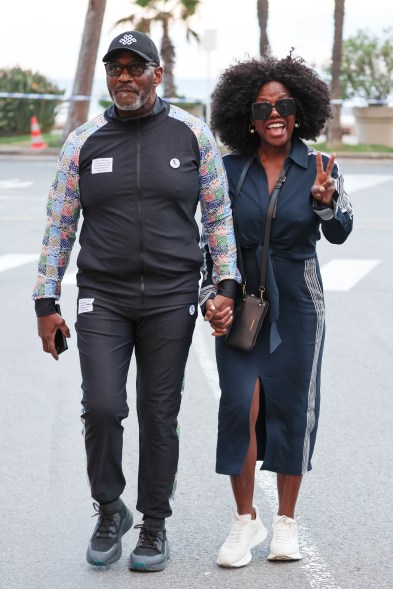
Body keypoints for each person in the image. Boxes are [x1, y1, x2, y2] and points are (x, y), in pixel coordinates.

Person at [32, 30, 239, 573]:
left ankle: (153, 523)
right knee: (102, 406)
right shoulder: (83, 141)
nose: (124, 77)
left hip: (172, 296)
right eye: (115, 68)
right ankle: (109, 509)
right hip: (103, 295)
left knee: (158, 413)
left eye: (135, 67)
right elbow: (59, 225)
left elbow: (217, 217)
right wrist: (45, 300)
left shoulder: (192, 135)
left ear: (157, 75)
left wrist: (226, 284)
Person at [200, 52, 353, 567]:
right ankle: (244, 521)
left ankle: (286, 520)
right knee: (239, 405)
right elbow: (211, 241)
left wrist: (326, 201)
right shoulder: (227, 170)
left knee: (292, 407)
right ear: (247, 115)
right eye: (263, 106)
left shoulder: (319, 167)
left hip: (299, 305)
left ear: (299, 111)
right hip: (241, 302)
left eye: (284, 104)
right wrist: (210, 295)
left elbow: (341, 229)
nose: (274, 113)